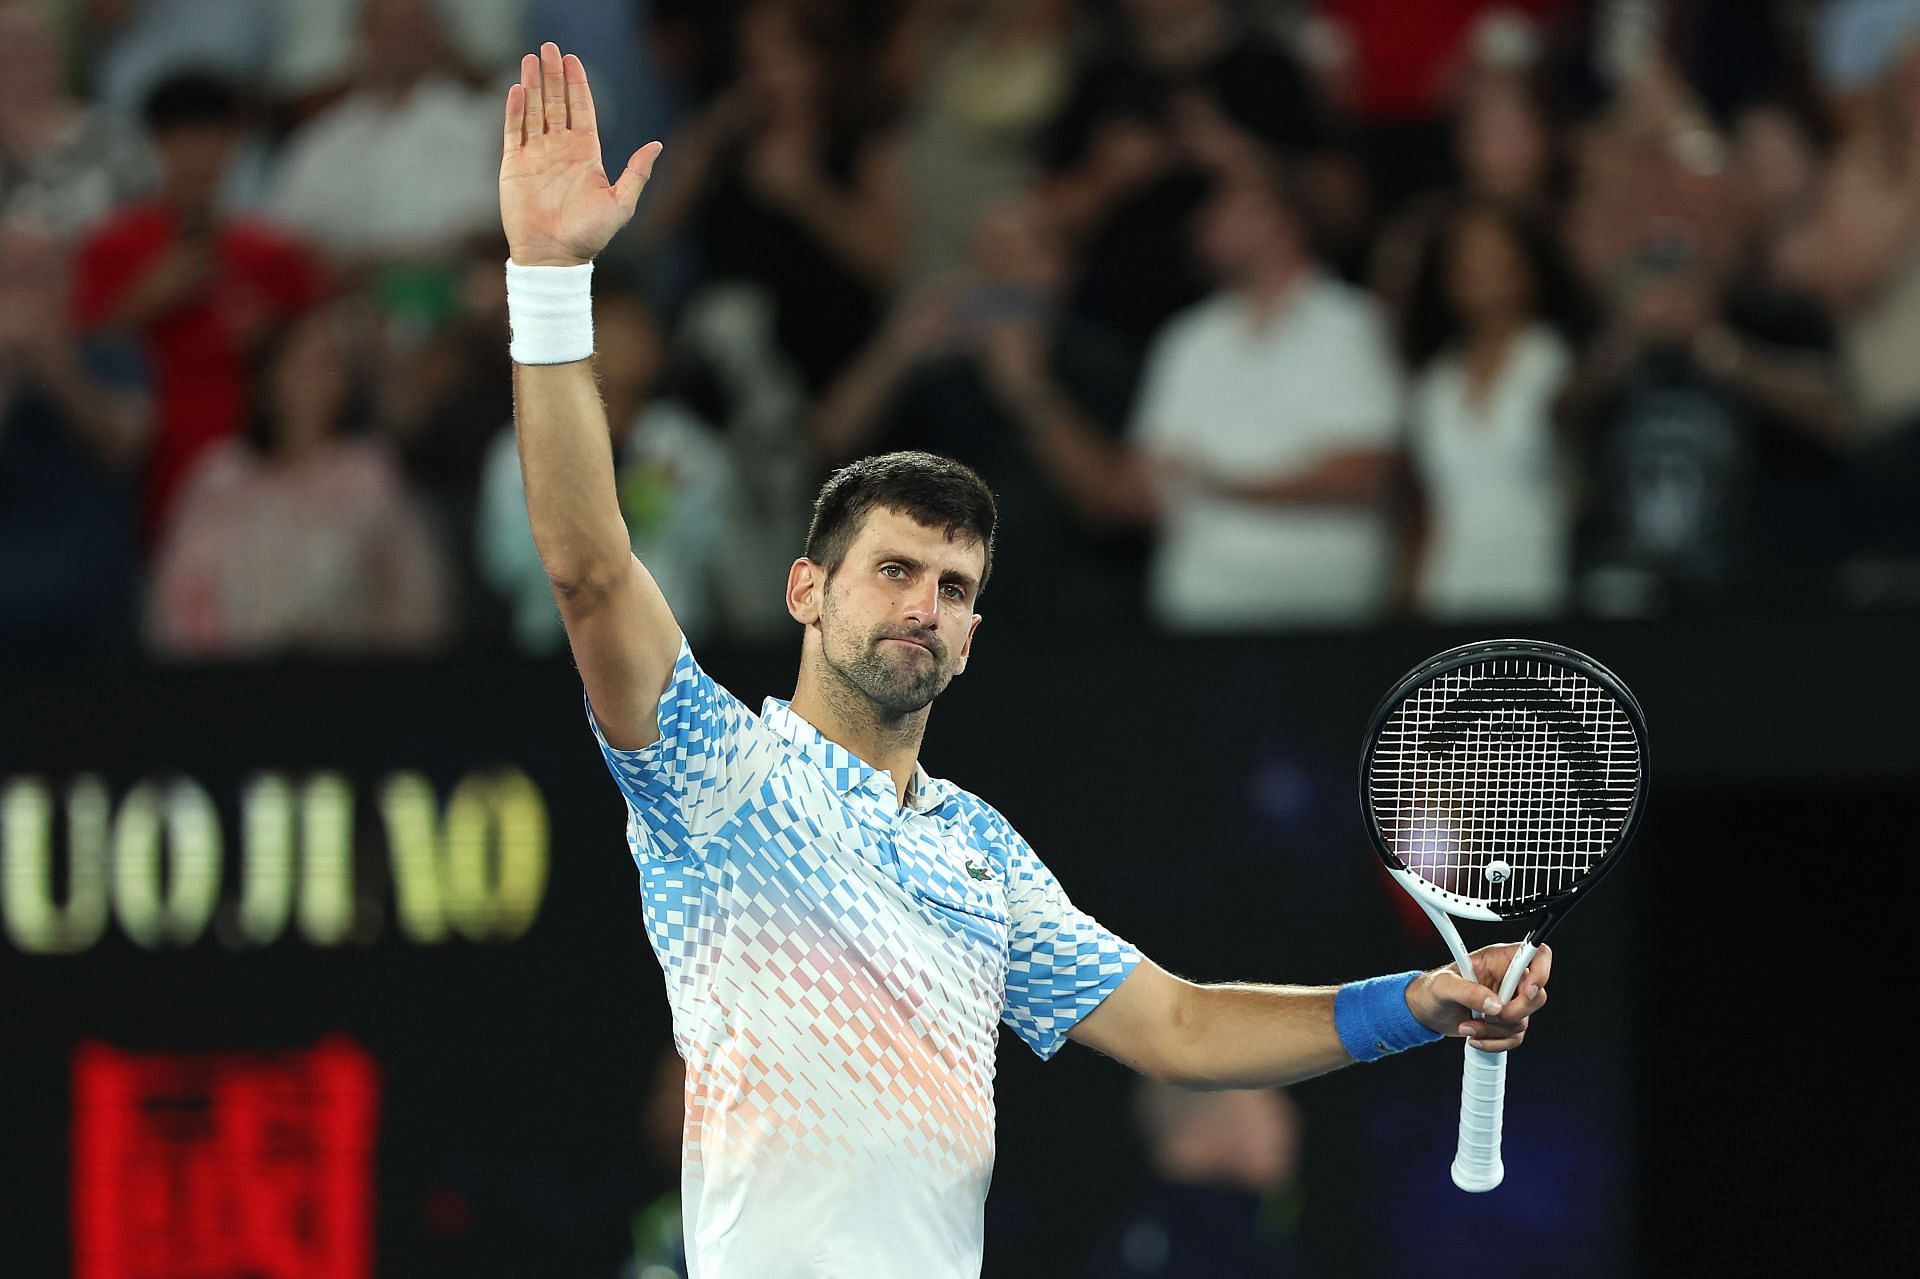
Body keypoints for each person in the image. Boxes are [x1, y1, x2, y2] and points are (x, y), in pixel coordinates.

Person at [498, 43, 1551, 1278]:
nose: (925, 606)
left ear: (973, 635)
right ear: (806, 591)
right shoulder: (717, 773)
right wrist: (551, 279)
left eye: (953, 589)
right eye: (893, 570)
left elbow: (1178, 1023)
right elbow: (589, 567)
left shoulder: (981, 856)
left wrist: (1415, 1004)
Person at [1008, 155, 1406, 631]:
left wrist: (1222, 484)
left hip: (1325, 617)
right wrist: (1030, 391)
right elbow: (1142, 493)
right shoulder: (1188, 341)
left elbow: (1370, 475)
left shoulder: (1354, 326)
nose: (1203, 224)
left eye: (1226, 207)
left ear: (1278, 218)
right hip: (1200, 618)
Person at [73, 71, 330, 543]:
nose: (198, 157)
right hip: (141, 476)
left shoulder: (273, 255)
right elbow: (72, 362)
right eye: (181, 140)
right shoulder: (110, 249)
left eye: (213, 139)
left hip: (256, 477)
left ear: (235, 147)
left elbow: (320, 363)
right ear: (155, 146)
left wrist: (269, 336)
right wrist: (144, 301)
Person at [147, 306, 449, 656]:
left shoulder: (369, 474)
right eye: (300, 366)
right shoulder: (220, 476)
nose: (314, 383)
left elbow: (411, 595)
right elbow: (179, 592)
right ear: (268, 377)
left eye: (328, 366)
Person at [1397, 200, 1584, 620]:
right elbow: (1425, 508)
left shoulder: (1558, 364)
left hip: (1542, 586)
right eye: (1467, 259)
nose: (1481, 272)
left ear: (1528, 266)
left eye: (1496, 257)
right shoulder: (1433, 384)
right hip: (1449, 591)